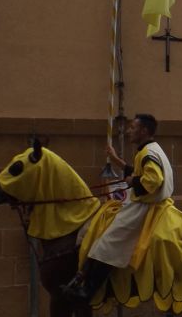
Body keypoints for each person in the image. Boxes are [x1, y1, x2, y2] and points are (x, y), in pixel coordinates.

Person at [63, 114, 174, 302]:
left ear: (144, 131)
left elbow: (153, 181)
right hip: (144, 203)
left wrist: (133, 181)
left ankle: (88, 292)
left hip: (143, 207)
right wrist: (116, 159)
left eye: (133, 127)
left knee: (107, 244)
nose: (129, 131)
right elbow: (141, 172)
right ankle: (81, 277)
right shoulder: (150, 150)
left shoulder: (147, 153)